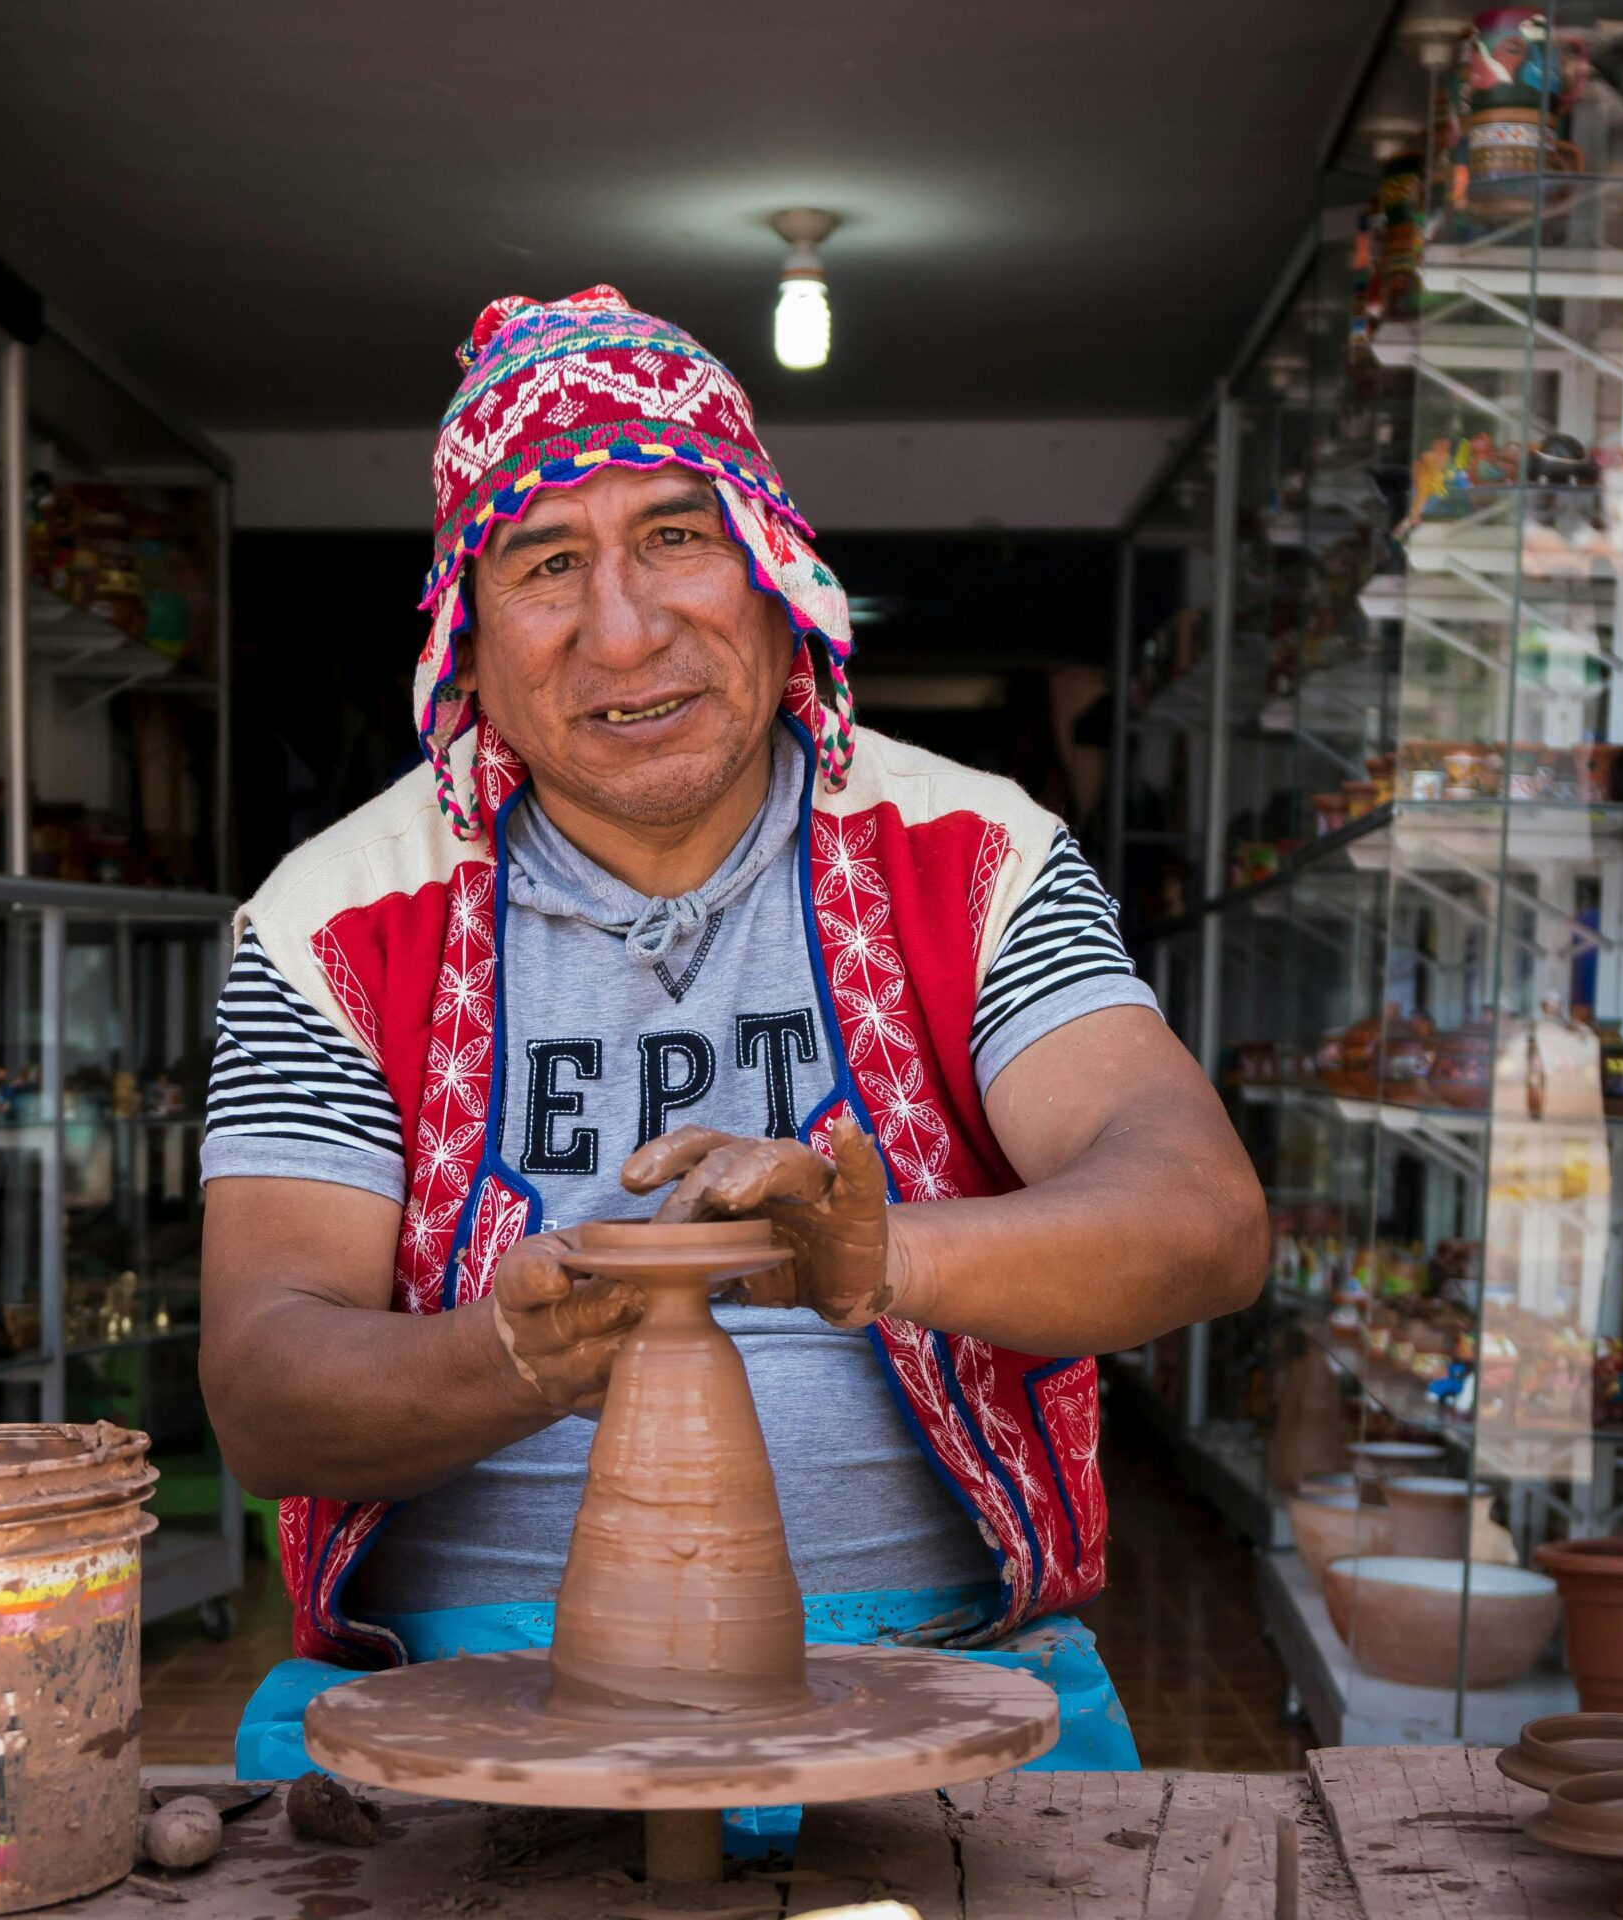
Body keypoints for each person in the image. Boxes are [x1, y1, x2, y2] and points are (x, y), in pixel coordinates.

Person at [199, 287, 1265, 1791]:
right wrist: (506, 1359)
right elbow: (258, 1390)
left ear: (776, 572)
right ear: (471, 635)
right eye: (545, 562)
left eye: (677, 538)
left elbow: (1203, 1220)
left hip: (944, 1669)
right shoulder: (332, 920)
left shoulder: (973, 853)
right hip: (462, 1694)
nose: (623, 630)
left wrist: (882, 1259)